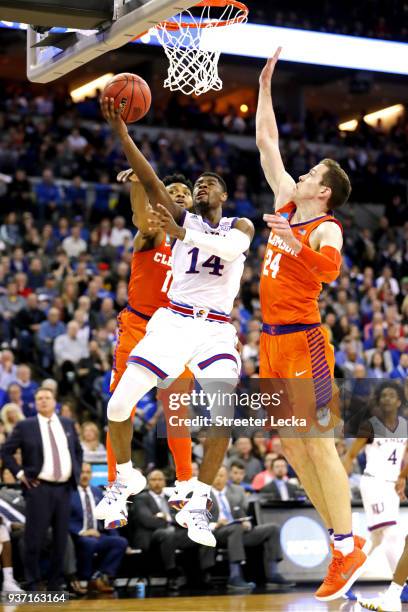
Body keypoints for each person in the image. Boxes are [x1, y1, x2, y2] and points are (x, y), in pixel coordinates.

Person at [95, 98, 254, 548]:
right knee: (117, 406)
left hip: (216, 330)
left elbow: (233, 253)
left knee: (222, 416)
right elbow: (148, 178)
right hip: (171, 322)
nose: (201, 187)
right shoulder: (173, 219)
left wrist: (186, 233)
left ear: (223, 195)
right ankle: (125, 479)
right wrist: (123, 134)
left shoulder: (239, 225)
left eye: (209, 184)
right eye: (196, 184)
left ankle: (198, 501)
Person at [256, 47, 365, 601]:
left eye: (311, 173)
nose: (299, 172)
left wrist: (292, 238)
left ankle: (345, 546)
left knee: (319, 444)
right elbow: (267, 142)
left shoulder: (325, 227)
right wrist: (264, 84)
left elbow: (329, 272)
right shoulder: (283, 199)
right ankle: (343, 541)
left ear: (321, 191)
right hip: (270, 343)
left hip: (305, 342)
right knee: (292, 449)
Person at [102, 168, 195, 523]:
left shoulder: (198, 240)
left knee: (177, 415)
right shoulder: (152, 233)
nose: (179, 195)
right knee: (119, 407)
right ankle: (116, 487)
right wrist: (140, 184)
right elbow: (140, 215)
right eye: (171, 190)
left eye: (184, 192)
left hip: (177, 331)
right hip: (138, 327)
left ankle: (185, 486)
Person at [1, 387, 82, 591]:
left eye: (47, 398)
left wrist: (75, 474)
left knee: (61, 539)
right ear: (35, 403)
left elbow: (77, 451)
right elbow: (6, 451)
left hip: (64, 489)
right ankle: (32, 581)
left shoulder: (67, 424)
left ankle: (56, 583)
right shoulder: (25, 425)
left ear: (55, 401)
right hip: (39, 488)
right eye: (39, 399)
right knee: (34, 539)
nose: (43, 401)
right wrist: (20, 474)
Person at [343, 382, 407, 576]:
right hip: (374, 483)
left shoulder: (404, 425)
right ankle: (402, 585)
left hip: (391, 486)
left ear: (398, 401)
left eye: (391, 395)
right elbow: (350, 456)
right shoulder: (370, 426)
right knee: (391, 532)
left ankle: (346, 577)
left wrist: (402, 478)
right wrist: (342, 485)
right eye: (383, 395)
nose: (386, 398)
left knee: (376, 539)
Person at [128, 470, 214, 590]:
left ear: (165, 482)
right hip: (151, 536)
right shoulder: (141, 498)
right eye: (153, 480)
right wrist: (169, 521)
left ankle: (205, 571)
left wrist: (167, 517)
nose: (157, 482)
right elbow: (147, 520)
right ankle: (172, 574)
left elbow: (182, 517)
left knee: (203, 533)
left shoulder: (172, 499)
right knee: (168, 533)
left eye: (160, 479)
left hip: (173, 533)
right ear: (148, 483)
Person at [210, 466, 288, 591]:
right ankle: (235, 577)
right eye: (215, 475)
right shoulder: (202, 493)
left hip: (238, 530)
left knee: (273, 529)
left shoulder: (237, 490)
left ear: (227, 477)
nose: (218, 479)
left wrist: (247, 522)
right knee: (235, 529)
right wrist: (216, 524)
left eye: (221, 475)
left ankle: (273, 574)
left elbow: (242, 513)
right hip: (216, 532)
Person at [69, 463, 127, 593]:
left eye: (88, 472)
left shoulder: (97, 492)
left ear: (91, 475)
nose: (85, 475)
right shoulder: (68, 492)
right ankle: (86, 579)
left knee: (120, 542)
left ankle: (101, 576)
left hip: (98, 534)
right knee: (89, 543)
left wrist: (115, 536)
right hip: (77, 536)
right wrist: (82, 532)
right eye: (82, 472)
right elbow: (64, 519)